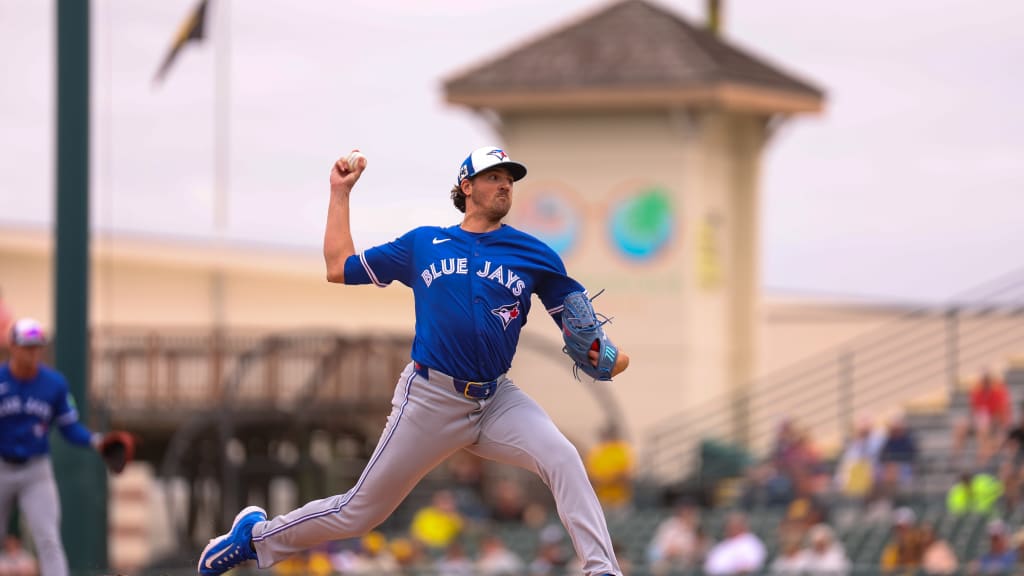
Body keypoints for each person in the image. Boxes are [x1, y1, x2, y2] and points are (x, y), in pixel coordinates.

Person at [197, 146, 630, 576]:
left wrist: (603, 355)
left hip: (497, 399)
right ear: (467, 186)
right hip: (430, 398)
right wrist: (340, 193)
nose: (505, 185)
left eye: (509, 179)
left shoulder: (533, 254)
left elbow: (577, 324)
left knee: (563, 457)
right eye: (494, 176)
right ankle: (254, 538)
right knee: (360, 513)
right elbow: (338, 265)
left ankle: (601, 570)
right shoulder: (424, 243)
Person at [0, 319, 113, 576]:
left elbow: (69, 426)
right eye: (27, 346)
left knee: (49, 538)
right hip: (1, 466)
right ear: (13, 347)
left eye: (37, 347)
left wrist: (96, 441)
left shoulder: (54, 384)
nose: (33, 352)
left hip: (35, 470)